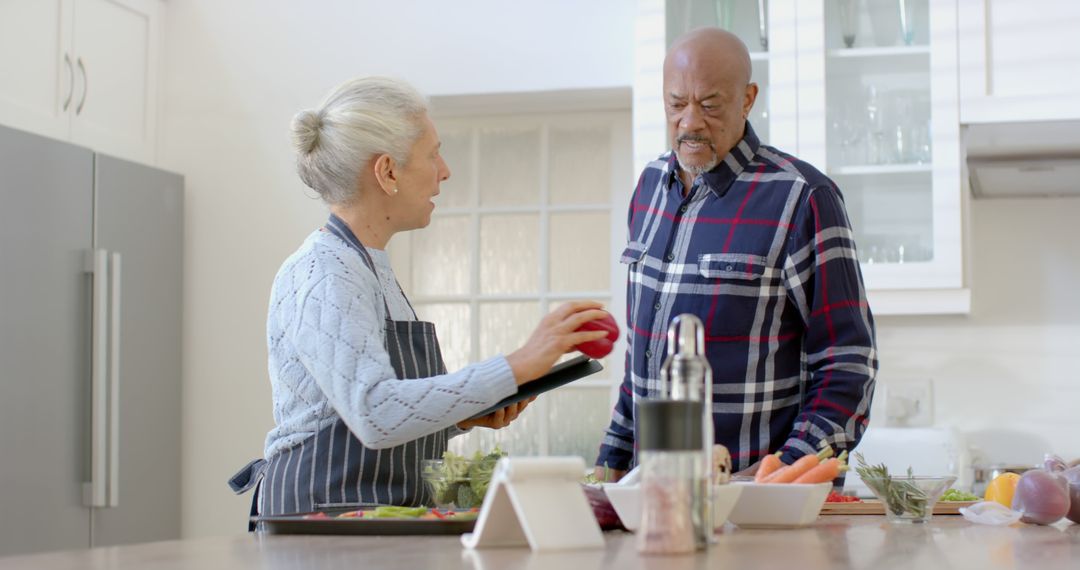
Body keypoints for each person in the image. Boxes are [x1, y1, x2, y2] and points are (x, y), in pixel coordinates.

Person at [228, 76, 610, 516]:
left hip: (371, 517)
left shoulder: (370, 268)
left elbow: (372, 416)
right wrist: (520, 362)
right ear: (387, 171)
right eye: (433, 154)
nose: (444, 171)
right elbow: (373, 413)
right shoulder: (325, 272)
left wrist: (463, 415)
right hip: (320, 524)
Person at [594, 28, 878, 481]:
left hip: (759, 503)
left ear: (747, 99)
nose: (689, 122)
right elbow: (641, 364)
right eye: (676, 104)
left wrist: (782, 473)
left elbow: (847, 362)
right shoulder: (649, 188)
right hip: (654, 499)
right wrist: (607, 469)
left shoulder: (803, 197)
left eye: (709, 105)